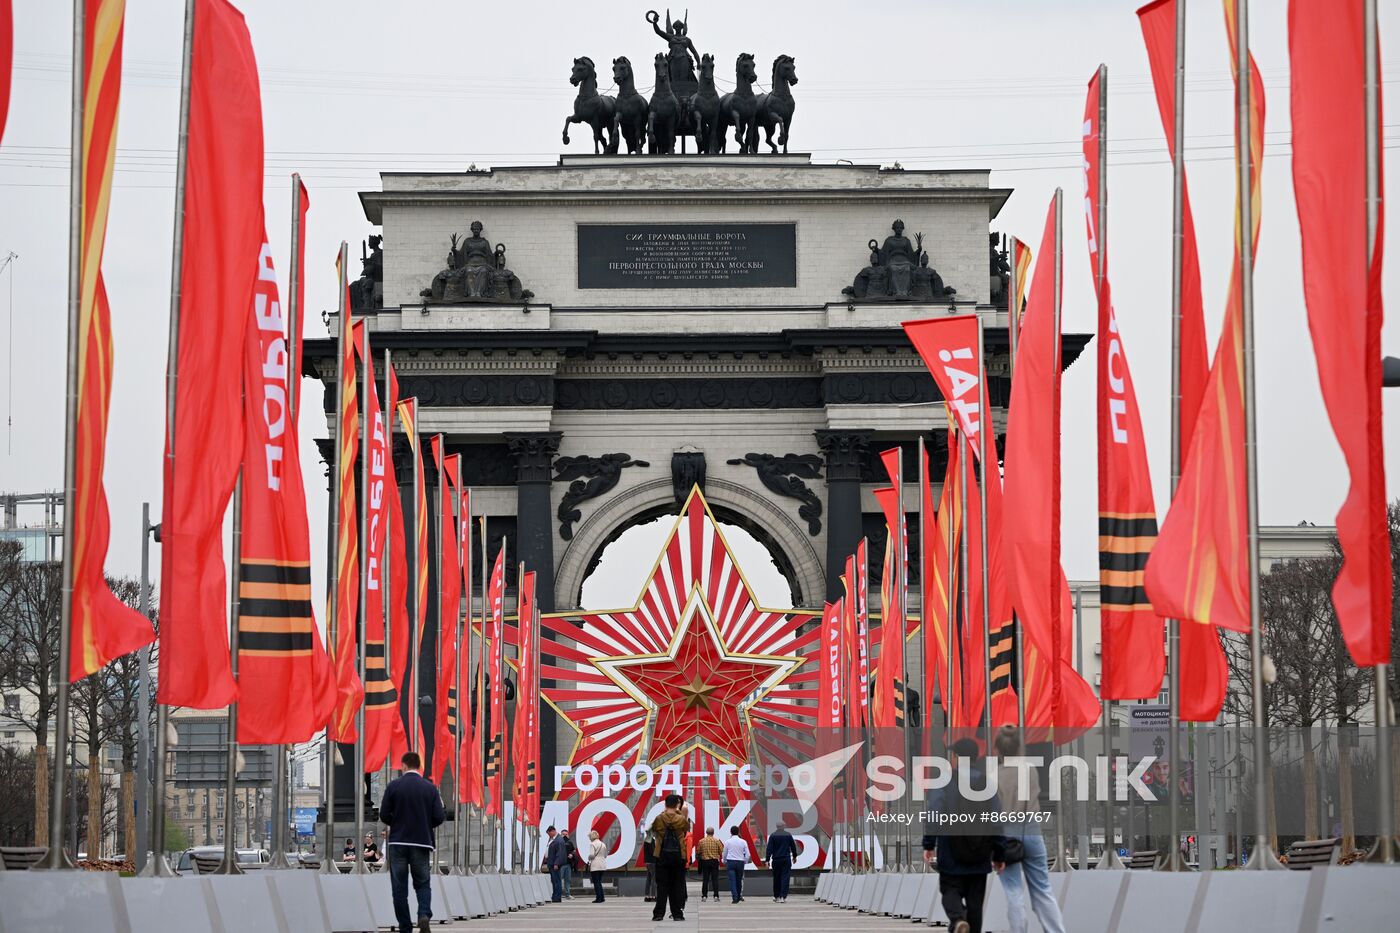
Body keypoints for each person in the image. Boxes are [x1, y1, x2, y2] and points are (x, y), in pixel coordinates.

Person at [922, 738, 1006, 933]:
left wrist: (928, 844)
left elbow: (934, 812)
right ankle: (967, 925)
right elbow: (996, 819)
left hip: (951, 849)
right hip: (980, 851)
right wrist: (999, 853)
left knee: (950, 890)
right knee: (975, 903)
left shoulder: (945, 781)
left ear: (957, 757)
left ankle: (958, 918)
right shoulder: (987, 783)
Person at [993, 727, 1066, 933]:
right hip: (1032, 828)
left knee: (1013, 891)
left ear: (997, 749)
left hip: (1006, 832)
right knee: (1042, 888)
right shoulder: (1030, 769)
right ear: (1020, 748)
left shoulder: (994, 776)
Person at [378, 751, 446, 933]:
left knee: (399, 887)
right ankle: (423, 914)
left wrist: (397, 821)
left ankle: (405, 927)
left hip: (398, 843)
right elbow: (439, 817)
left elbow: (384, 815)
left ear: (404, 766)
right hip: (421, 842)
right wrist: (424, 823)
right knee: (423, 883)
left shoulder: (394, 786)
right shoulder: (430, 788)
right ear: (419, 766)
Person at [649, 794, 691, 922]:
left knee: (662, 886)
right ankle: (677, 914)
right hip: (679, 855)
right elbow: (686, 830)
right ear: (677, 804)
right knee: (676, 885)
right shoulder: (681, 819)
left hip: (661, 854)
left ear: (665, 804)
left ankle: (658, 914)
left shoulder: (659, 818)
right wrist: (678, 812)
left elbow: (654, 831)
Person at [764, 825, 798, 903]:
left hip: (776, 860)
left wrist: (767, 860)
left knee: (776, 878)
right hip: (786, 859)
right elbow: (793, 846)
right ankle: (783, 896)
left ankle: (777, 896)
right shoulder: (788, 835)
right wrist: (794, 856)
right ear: (784, 827)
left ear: (776, 826)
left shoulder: (773, 835)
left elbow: (769, 849)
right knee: (785, 877)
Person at [696, 827, 723, 902]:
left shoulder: (701, 841)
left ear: (706, 832)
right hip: (714, 862)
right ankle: (716, 896)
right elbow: (721, 851)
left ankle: (704, 896)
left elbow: (698, 851)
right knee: (715, 879)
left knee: (705, 879)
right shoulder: (717, 841)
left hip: (705, 862)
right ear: (713, 833)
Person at [722, 826, 749, 904]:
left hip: (730, 862)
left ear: (731, 832)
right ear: (738, 832)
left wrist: (724, 861)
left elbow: (724, 853)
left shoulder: (727, 842)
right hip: (740, 862)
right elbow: (747, 854)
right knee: (739, 880)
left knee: (732, 881)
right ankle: (739, 895)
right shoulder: (743, 841)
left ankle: (735, 897)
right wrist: (745, 861)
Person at [543, 826, 567, 903]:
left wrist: (556, 863)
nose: (549, 835)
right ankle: (555, 896)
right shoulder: (554, 840)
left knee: (556, 881)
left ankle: (557, 897)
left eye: (549, 833)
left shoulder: (558, 840)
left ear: (553, 831)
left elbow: (559, 853)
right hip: (551, 863)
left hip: (554, 864)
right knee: (554, 881)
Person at [587, 830, 607, 903]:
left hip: (595, 865)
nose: (589, 838)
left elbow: (592, 855)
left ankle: (598, 898)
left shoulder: (592, 844)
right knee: (599, 882)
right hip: (602, 864)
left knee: (596, 882)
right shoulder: (603, 844)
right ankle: (602, 897)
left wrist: (589, 857)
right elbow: (605, 855)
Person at [560, 830, 576, 899]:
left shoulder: (570, 842)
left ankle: (567, 894)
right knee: (559, 880)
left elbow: (573, 851)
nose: (565, 836)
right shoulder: (559, 843)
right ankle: (558, 894)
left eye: (566, 834)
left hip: (568, 864)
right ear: (561, 835)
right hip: (561, 864)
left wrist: (572, 855)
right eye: (563, 834)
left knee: (567, 880)